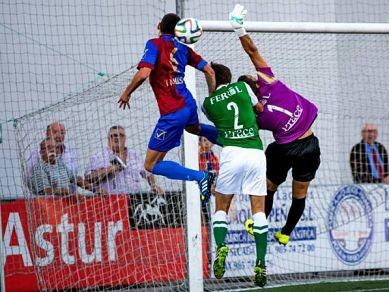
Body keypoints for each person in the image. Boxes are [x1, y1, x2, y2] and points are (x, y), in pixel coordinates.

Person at [230, 4, 320, 247]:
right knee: (299, 193)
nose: (252, 73)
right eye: (251, 76)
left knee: (269, 187)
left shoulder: (253, 116)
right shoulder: (269, 82)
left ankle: (260, 222)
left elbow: (239, 125)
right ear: (254, 83)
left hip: (284, 149)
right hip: (308, 144)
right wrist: (239, 28)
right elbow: (252, 51)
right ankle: (286, 232)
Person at [118, 13, 217, 203]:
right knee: (194, 129)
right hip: (188, 104)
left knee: (151, 164)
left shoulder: (154, 44)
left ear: (159, 26)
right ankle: (228, 139)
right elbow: (209, 70)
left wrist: (127, 92)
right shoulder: (184, 49)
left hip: (172, 112)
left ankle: (200, 177)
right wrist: (212, 98)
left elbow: (143, 73)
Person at [202, 62, 267, 287]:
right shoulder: (242, 88)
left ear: (211, 79)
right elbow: (259, 109)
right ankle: (260, 261)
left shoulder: (208, 104)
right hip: (255, 152)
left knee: (222, 207)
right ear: (229, 76)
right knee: (258, 209)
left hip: (231, 152)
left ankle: (221, 247)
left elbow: (216, 119)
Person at [85, 126, 164, 195]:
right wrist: (109, 169)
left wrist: (153, 186)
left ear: (125, 138)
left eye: (121, 135)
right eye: (114, 135)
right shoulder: (98, 157)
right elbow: (88, 178)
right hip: (109, 200)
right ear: (108, 138)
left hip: (133, 200)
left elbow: (148, 173)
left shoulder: (135, 156)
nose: (117, 137)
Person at [26, 122, 78, 187]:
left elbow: (74, 177)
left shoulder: (71, 153)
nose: (59, 136)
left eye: (62, 133)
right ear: (47, 134)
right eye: (55, 132)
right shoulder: (36, 154)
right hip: (45, 196)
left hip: (70, 196)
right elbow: (28, 178)